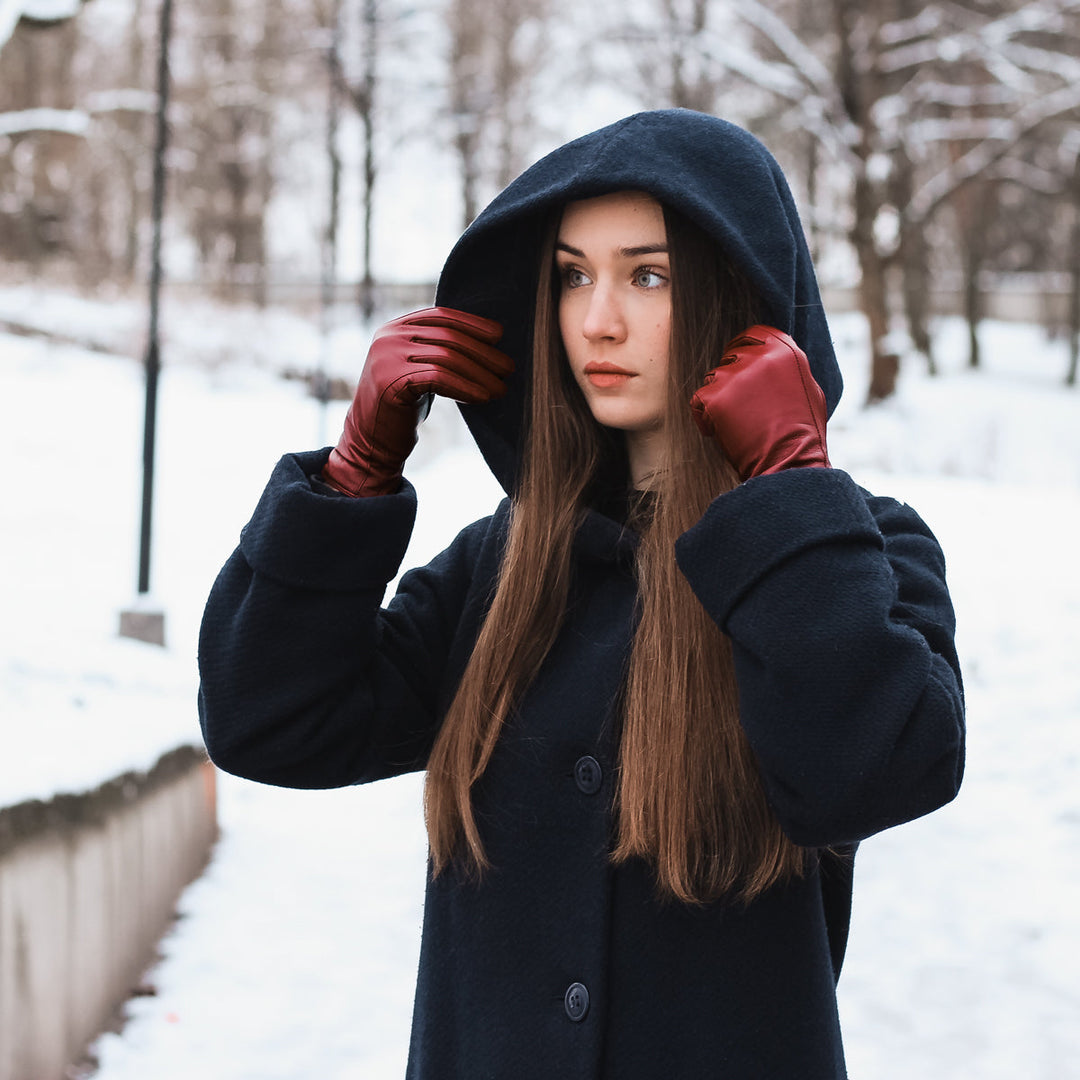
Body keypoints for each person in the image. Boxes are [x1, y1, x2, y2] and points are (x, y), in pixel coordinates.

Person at [198, 109, 965, 1078]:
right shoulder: (502, 570)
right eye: (572, 274)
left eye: (648, 274)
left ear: (741, 299)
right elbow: (269, 719)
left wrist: (785, 485)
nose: (597, 318)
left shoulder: (856, 552)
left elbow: (875, 772)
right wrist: (353, 476)